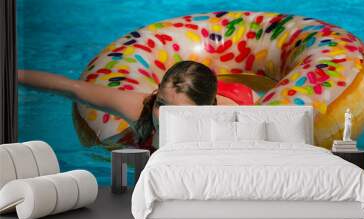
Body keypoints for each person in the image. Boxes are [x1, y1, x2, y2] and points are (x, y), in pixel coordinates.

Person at [18, 60, 257, 152]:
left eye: (178, 112)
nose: (163, 118)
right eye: (161, 104)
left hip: (236, 92)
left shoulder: (227, 120)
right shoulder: (141, 107)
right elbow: (74, 89)